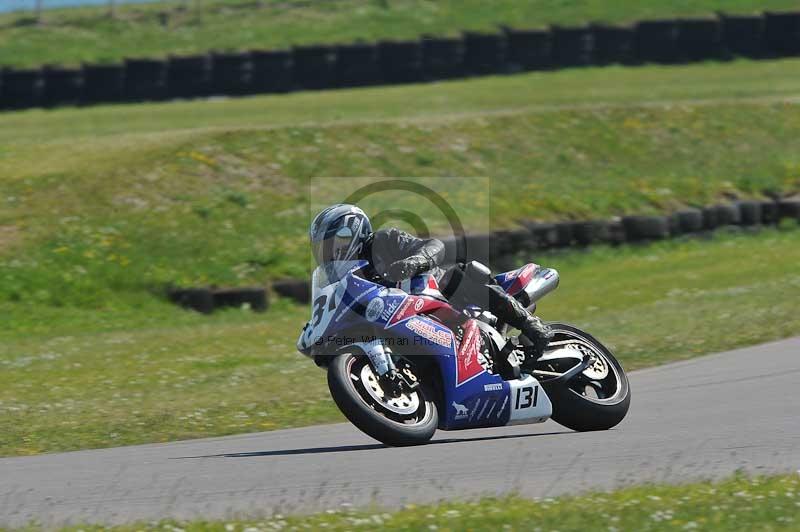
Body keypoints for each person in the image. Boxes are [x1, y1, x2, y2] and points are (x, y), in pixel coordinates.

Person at [308, 204, 553, 372]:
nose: (328, 253)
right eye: (322, 248)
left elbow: (434, 246)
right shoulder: (343, 279)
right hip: (399, 320)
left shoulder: (384, 240)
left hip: (435, 294)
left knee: (458, 276)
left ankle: (531, 325)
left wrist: (416, 261)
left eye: (331, 244)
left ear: (352, 232)